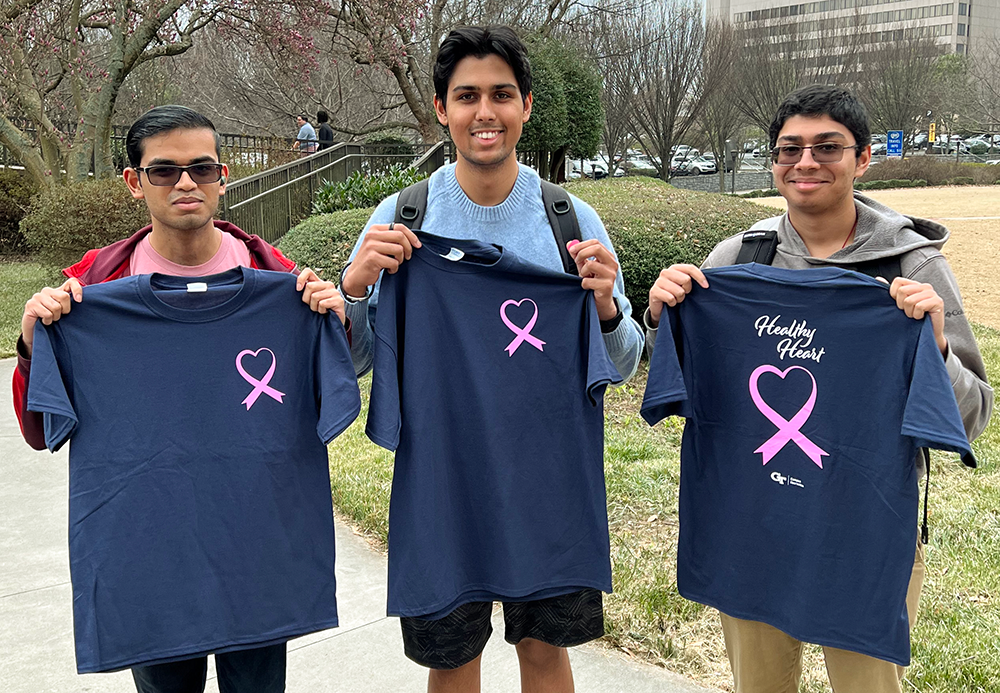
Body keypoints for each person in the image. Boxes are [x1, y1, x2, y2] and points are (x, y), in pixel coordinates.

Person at [645, 84, 993, 693]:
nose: (806, 162)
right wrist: (665, 320)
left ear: (862, 159)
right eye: (790, 149)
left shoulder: (913, 268)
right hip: (752, 520)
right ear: (774, 161)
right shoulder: (735, 261)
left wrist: (933, 346)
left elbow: (972, 417)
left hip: (863, 527)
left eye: (827, 147)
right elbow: (684, 391)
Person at [340, 25, 644, 693]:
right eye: (467, 95)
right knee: (451, 661)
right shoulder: (402, 217)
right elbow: (357, 360)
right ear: (442, 107)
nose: (486, 112)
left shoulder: (569, 218)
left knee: (544, 650)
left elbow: (620, 364)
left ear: (526, 105)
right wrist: (354, 288)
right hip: (441, 488)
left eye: (502, 94)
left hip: (550, 484)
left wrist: (606, 310)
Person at [13, 104, 345, 693]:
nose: (186, 182)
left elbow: (336, 398)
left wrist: (337, 324)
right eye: (164, 170)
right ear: (134, 182)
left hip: (257, 547)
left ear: (222, 176)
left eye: (201, 167)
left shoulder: (285, 283)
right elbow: (42, 429)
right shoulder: (90, 292)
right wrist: (34, 343)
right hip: (150, 551)